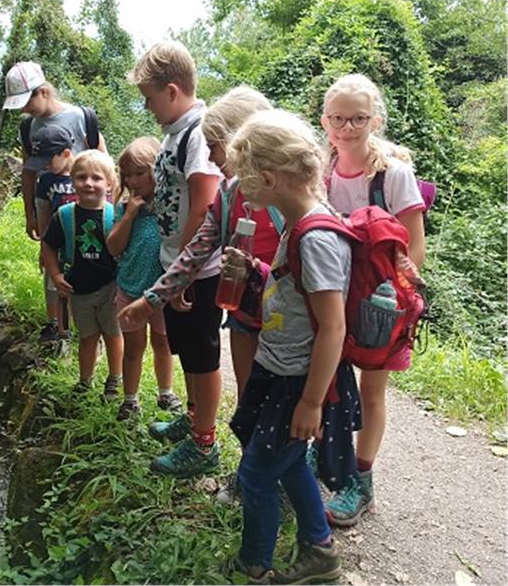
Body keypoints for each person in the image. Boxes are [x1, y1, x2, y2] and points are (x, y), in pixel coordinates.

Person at [119, 86, 280, 494]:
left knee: (285, 399)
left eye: (215, 147)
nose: (212, 157)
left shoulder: (286, 197)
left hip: (287, 322)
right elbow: (196, 250)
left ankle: (286, 482)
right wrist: (150, 300)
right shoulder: (228, 196)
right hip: (245, 316)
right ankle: (251, 474)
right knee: (249, 399)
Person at [226, 109, 354, 584]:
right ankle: (320, 549)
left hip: (297, 381)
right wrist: (257, 273)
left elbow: (332, 328)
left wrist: (311, 402)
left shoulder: (316, 236)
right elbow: (294, 291)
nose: (241, 188)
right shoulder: (297, 223)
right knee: (288, 460)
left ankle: (253, 564)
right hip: (279, 369)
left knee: (257, 473)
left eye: (244, 178)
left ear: (269, 177)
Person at [319, 73, 426, 526]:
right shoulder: (319, 172)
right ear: (324, 120)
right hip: (331, 295)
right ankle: (325, 460)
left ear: (375, 119)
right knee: (327, 381)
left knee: (372, 389)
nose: (347, 128)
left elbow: (415, 247)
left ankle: (361, 481)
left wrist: (392, 297)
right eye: (339, 118)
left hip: (379, 301)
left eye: (358, 118)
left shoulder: (394, 174)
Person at [125, 41, 222, 478]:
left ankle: (204, 447)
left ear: (172, 89)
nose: (147, 106)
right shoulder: (174, 133)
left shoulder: (198, 133)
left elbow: (203, 204)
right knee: (187, 352)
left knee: (202, 356)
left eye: (148, 97)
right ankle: (195, 416)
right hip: (177, 265)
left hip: (198, 270)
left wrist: (183, 270)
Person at [106, 137, 180, 421]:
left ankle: (166, 391)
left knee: (163, 343)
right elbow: (113, 248)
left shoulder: (168, 208)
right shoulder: (124, 210)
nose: (133, 180)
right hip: (129, 289)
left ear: (157, 171)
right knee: (134, 348)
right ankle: (130, 399)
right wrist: (129, 216)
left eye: (140, 173)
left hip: (161, 293)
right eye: (127, 175)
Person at [41, 150, 123, 397]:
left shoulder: (115, 215)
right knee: (86, 337)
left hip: (111, 288)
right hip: (78, 289)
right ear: (72, 180)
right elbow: (48, 245)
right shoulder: (64, 216)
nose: (88, 183)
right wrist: (56, 276)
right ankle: (85, 381)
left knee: (113, 334)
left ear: (109, 183)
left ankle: (114, 378)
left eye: (96, 178)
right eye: (81, 177)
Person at [1, 61, 107, 242]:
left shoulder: (81, 118)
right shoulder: (28, 128)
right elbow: (28, 173)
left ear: (43, 92)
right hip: (50, 209)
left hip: (89, 209)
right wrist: (30, 216)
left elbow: (105, 165)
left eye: (28, 102)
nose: (25, 109)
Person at [34, 124, 78, 341]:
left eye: (48, 160)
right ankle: (57, 328)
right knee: (54, 284)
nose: (43, 166)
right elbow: (43, 214)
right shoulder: (46, 180)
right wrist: (44, 247)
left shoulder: (87, 173)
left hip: (83, 242)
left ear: (66, 153)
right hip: (56, 242)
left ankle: (82, 329)